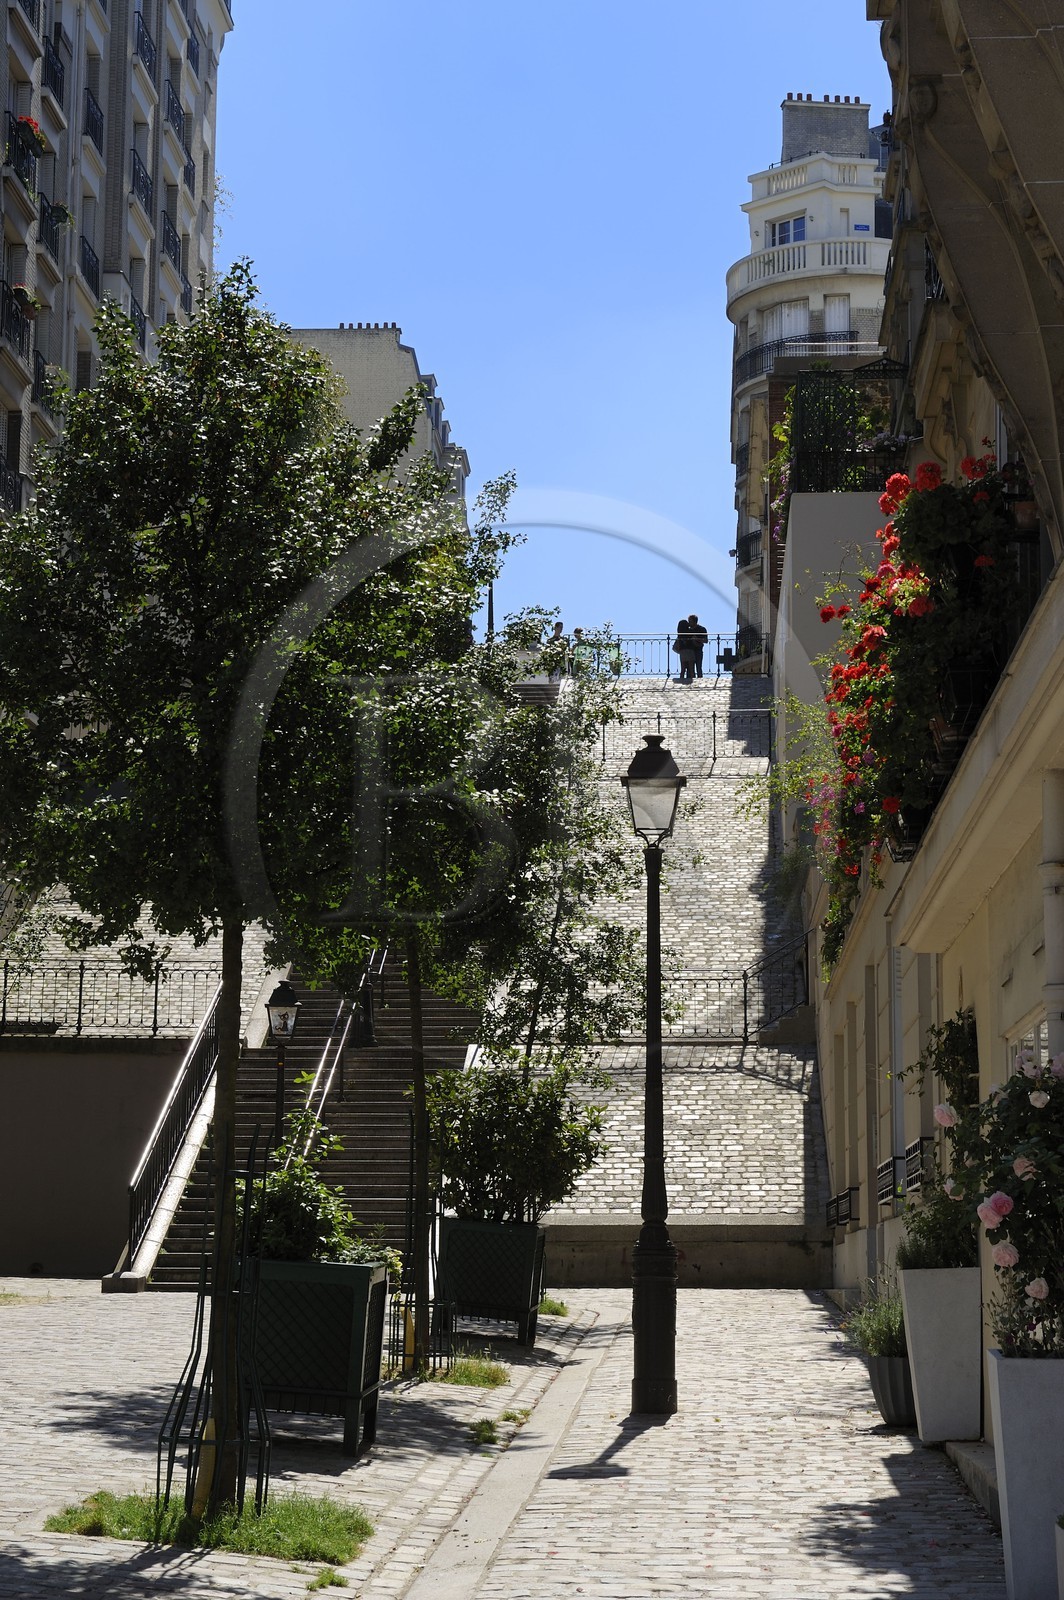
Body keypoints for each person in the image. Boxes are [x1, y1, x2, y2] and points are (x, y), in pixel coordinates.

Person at [672, 617, 696, 683]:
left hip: (682, 652)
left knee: (683, 669)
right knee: (691, 669)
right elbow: (694, 641)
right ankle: (694, 681)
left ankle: (681, 680)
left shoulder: (680, 636)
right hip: (690, 651)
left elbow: (677, 646)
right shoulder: (690, 632)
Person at [687, 613, 709, 679]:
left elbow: (706, 640)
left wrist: (697, 639)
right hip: (690, 651)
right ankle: (689, 680)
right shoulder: (688, 630)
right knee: (689, 669)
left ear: (694, 621)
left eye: (690, 621)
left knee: (698, 667)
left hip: (698, 650)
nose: (689, 623)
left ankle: (700, 680)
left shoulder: (702, 629)